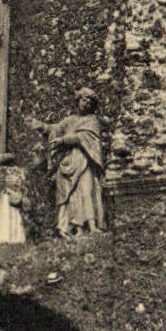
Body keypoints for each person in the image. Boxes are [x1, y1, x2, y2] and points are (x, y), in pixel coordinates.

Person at [43, 87, 105, 235]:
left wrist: (64, 140)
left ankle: (92, 225)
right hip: (67, 161)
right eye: (83, 99)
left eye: (89, 101)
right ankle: (73, 227)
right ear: (78, 101)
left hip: (84, 159)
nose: (86, 103)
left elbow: (85, 137)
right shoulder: (70, 120)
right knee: (70, 196)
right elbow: (56, 129)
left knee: (86, 191)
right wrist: (43, 128)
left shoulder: (92, 120)